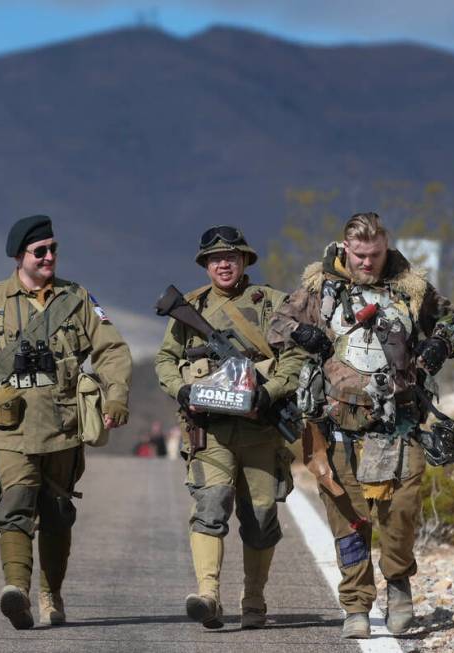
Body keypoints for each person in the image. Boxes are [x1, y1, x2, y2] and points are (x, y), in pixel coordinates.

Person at [268, 212, 454, 639]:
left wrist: (439, 343)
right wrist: (302, 335)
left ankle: (398, 585)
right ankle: (357, 606)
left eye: (375, 254)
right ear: (346, 249)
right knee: (349, 521)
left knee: (400, 514)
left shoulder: (412, 288)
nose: (367, 263)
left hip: (399, 423)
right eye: (359, 255)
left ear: (386, 248)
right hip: (337, 426)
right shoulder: (319, 288)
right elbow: (276, 325)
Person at [0, 215, 132, 629]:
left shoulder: (77, 299)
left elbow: (112, 349)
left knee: (57, 513)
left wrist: (116, 395)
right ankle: (17, 590)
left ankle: (51, 592)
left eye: (53, 249)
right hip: (8, 430)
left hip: (63, 427)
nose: (49, 257)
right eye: (40, 251)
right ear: (19, 256)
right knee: (14, 506)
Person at [153, 226, 307, 629]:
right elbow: (165, 360)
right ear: (205, 266)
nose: (224, 264)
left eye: (231, 257)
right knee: (209, 507)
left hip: (260, 431)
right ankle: (208, 595)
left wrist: (269, 392)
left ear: (245, 261)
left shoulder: (274, 304)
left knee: (260, 518)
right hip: (211, 431)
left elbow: (295, 359)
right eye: (215, 259)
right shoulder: (190, 308)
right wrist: (182, 389)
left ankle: (254, 600)